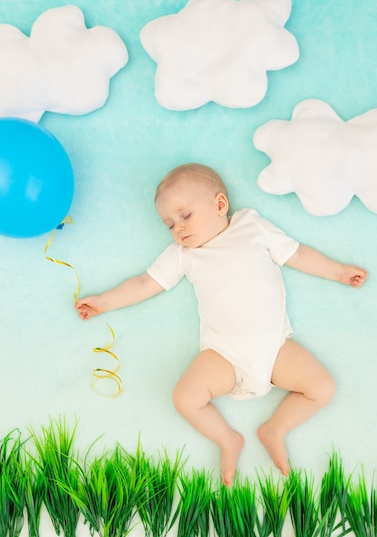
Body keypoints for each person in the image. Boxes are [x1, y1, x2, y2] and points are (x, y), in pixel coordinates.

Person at [75, 163, 368, 486]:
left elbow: (297, 254)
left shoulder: (251, 226)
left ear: (219, 205)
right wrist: (103, 301)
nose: (178, 229)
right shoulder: (183, 254)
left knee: (322, 387)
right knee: (185, 398)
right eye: (169, 224)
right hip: (224, 354)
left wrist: (339, 271)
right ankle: (228, 439)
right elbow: (146, 283)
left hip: (274, 348)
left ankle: (276, 429)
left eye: (185, 216)